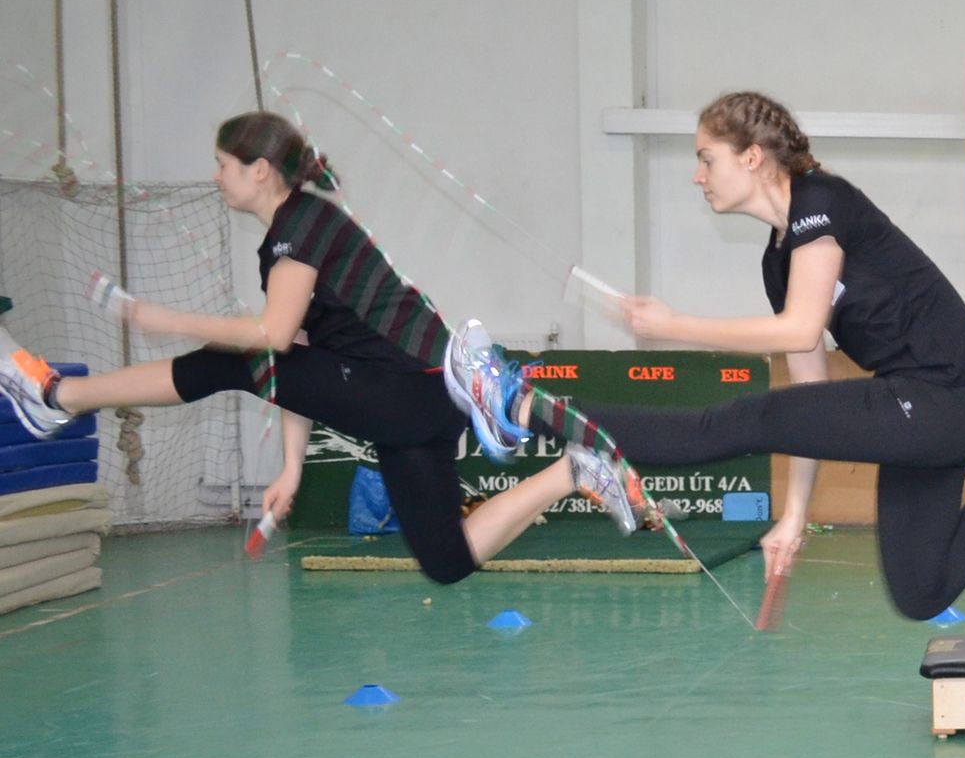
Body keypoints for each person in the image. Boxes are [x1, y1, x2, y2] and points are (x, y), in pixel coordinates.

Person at [442, 91, 965, 622]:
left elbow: (798, 331)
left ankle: (516, 402)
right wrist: (794, 514)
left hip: (940, 399)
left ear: (751, 157)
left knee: (727, 424)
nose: (697, 176)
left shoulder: (822, 203)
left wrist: (675, 324)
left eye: (706, 158)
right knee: (920, 593)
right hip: (931, 418)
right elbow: (807, 393)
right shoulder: (780, 262)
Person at [0, 111, 636, 576]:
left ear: (258, 170)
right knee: (446, 560)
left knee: (229, 361)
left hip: (405, 389)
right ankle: (571, 472)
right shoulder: (290, 234)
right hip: (416, 404)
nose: (215, 176)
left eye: (223, 164)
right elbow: (293, 358)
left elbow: (270, 339)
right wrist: (293, 467)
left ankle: (60, 397)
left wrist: (166, 318)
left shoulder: (302, 224)